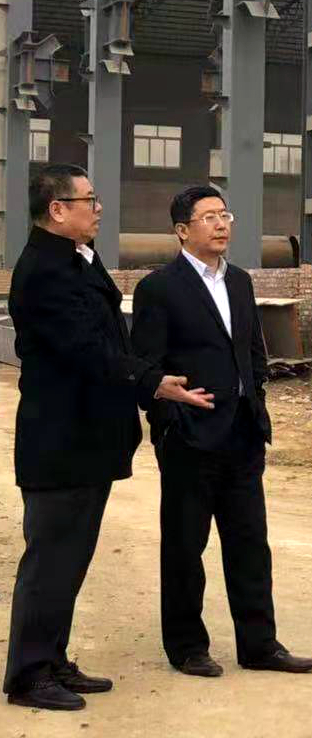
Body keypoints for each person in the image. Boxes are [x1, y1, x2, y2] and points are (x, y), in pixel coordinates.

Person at [4, 165, 213, 711]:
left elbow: (107, 337)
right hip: (60, 439)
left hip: (88, 437)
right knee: (50, 560)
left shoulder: (77, 257)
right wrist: (151, 380)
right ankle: (28, 675)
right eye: (89, 200)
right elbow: (84, 348)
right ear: (57, 210)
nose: (98, 209)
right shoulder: (42, 271)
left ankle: (52, 659)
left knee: (71, 559)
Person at [130, 186, 312, 678]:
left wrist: (256, 400)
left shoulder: (239, 281)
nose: (221, 224)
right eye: (209, 217)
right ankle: (187, 647)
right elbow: (144, 366)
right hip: (189, 438)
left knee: (250, 544)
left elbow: (253, 351)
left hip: (241, 433)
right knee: (184, 547)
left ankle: (260, 646)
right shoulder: (159, 288)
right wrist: (170, 420)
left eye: (225, 215)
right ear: (182, 230)